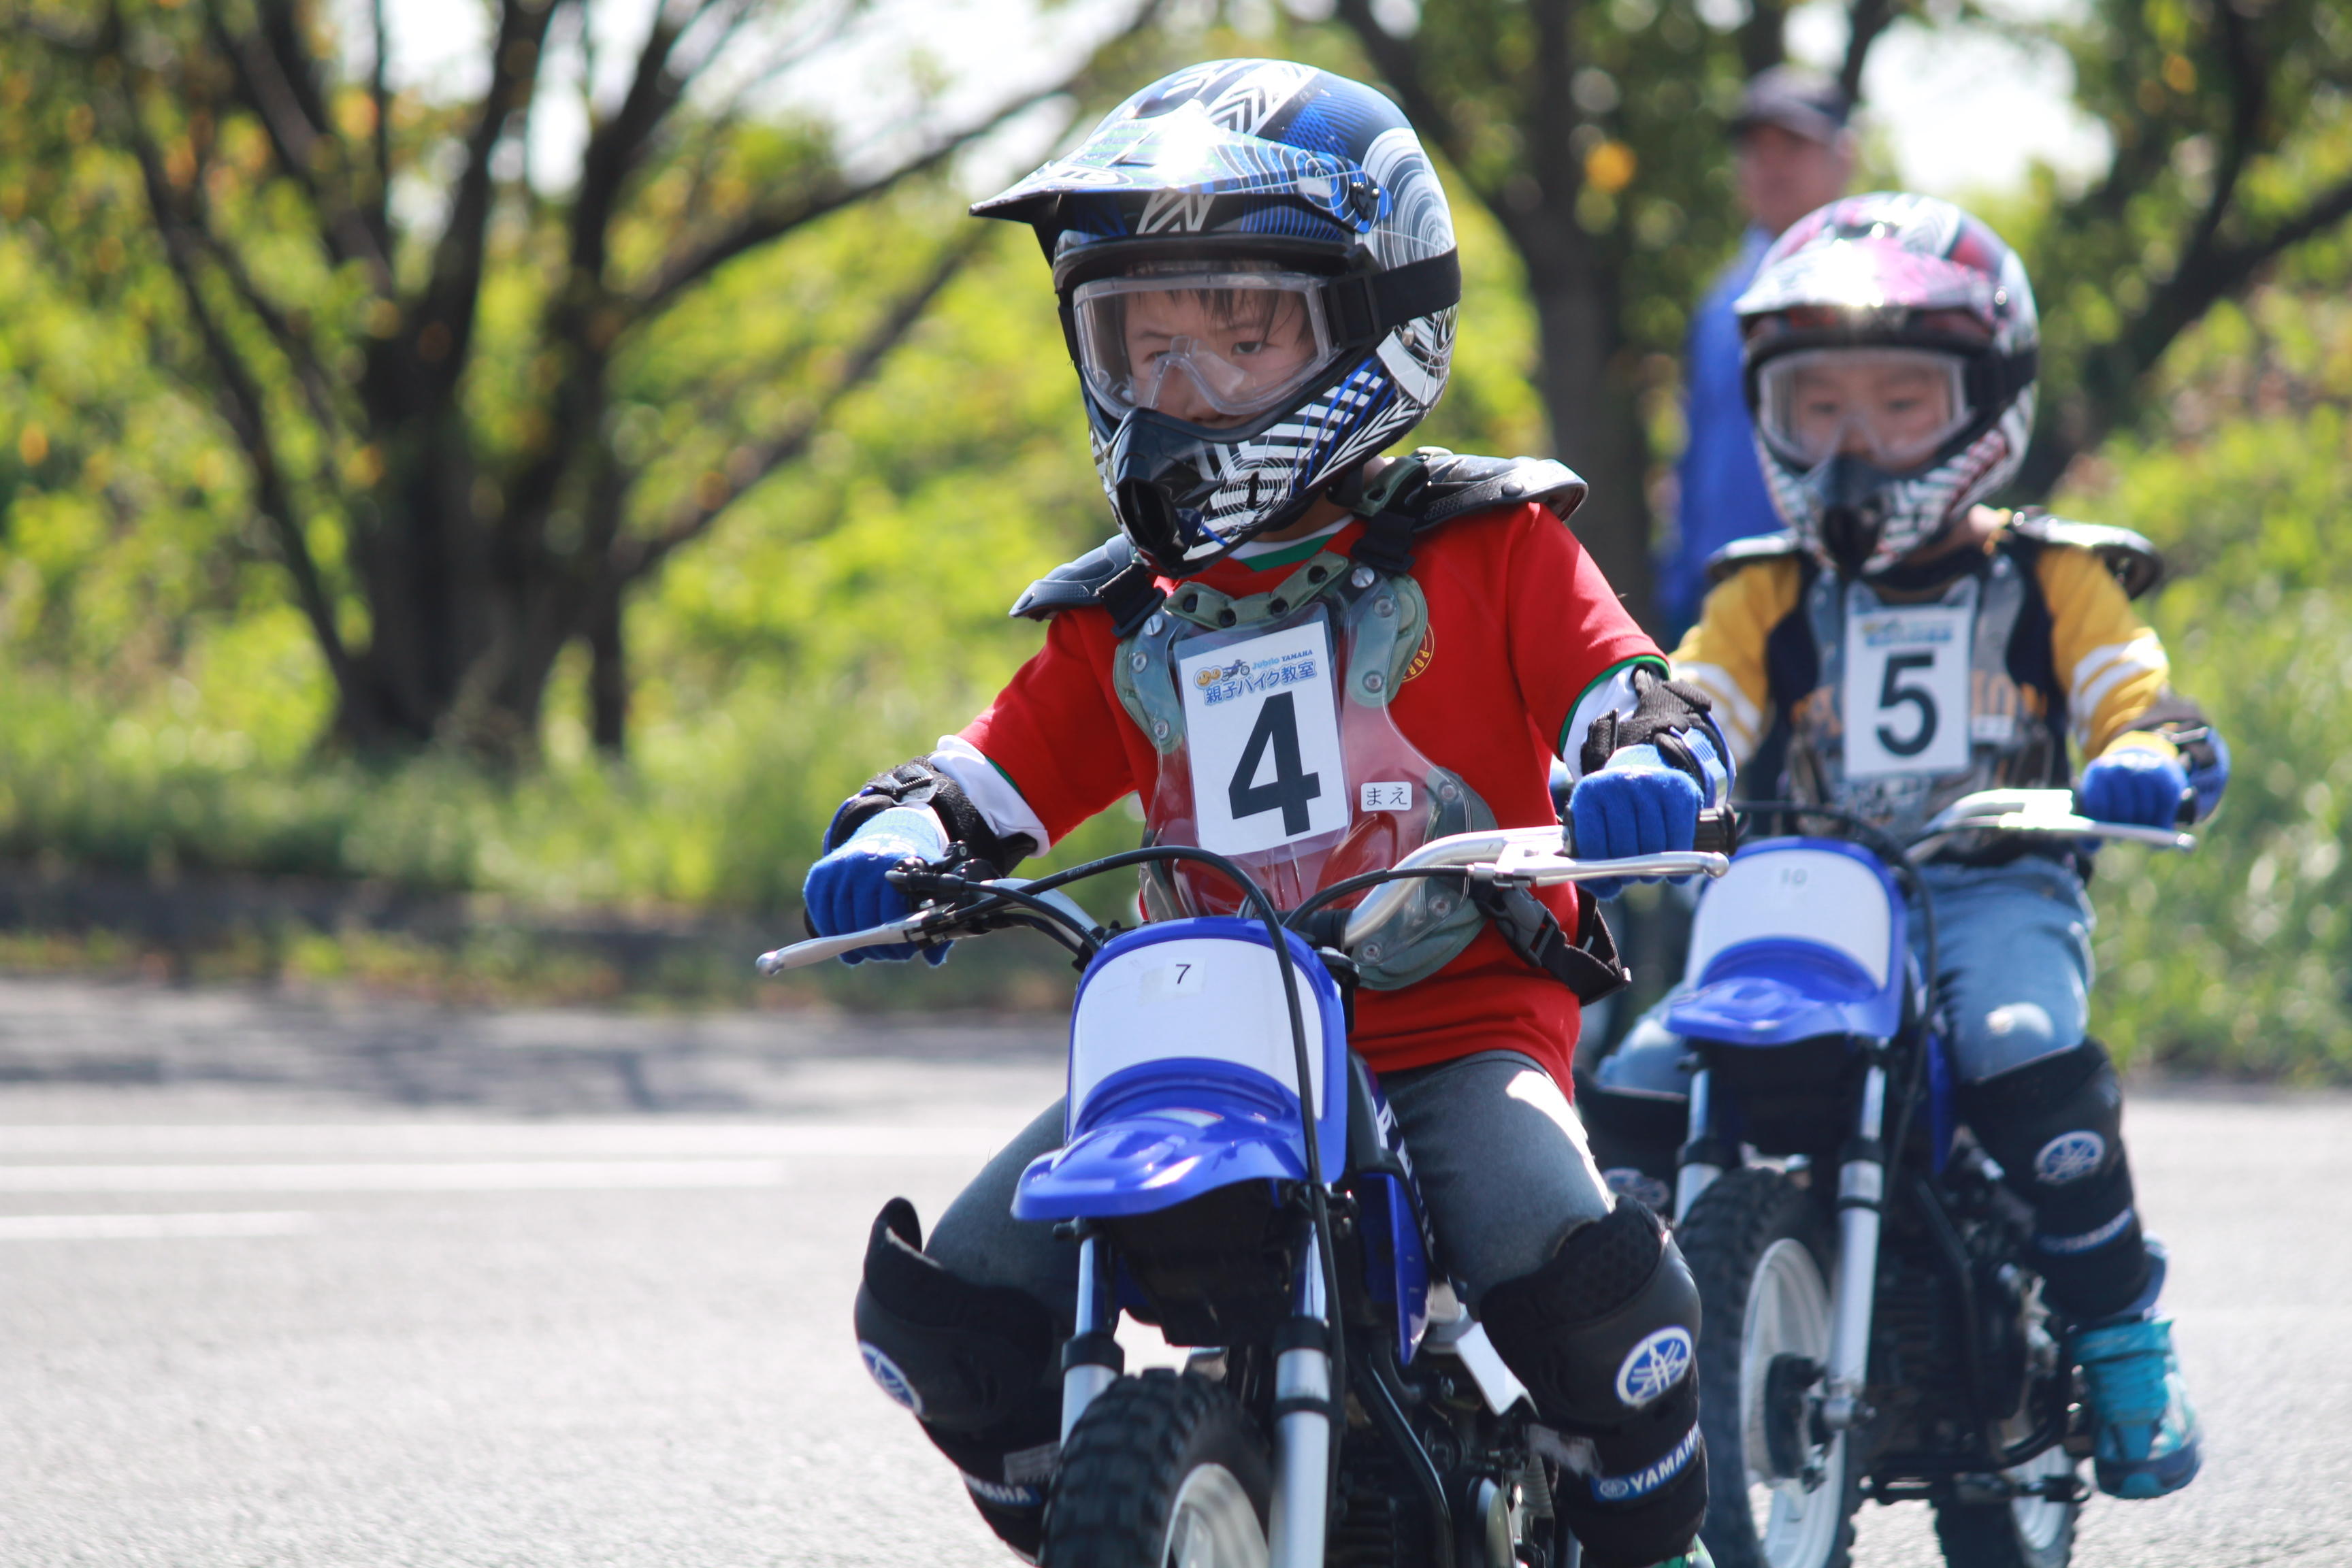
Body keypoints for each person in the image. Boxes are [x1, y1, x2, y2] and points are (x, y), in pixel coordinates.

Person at [801, 59, 1730, 1568]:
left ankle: (1653, 1534)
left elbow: (1625, 686)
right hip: (1203, 1044)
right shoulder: (1125, 622)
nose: (1181, 384)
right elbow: (990, 774)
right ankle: (1141, 1507)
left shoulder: (1489, 545)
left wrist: (1644, 763)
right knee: (943, 1319)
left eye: (1237, 332)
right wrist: (904, 842)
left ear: (1375, 320)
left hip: (1455, 1027)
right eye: (1141, 339)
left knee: (1587, 1293)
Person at [1582, 192, 2221, 1502]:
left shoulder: (2051, 575)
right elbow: (1702, 692)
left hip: (1992, 879)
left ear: (1987, 405)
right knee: (1643, 1070)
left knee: (2020, 1042)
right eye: (1818, 407)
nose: (1855, 441)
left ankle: (2115, 1329)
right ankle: (1619, 1362)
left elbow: (2134, 686)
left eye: (1899, 404)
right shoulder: (1765, 586)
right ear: (1768, 409)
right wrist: (1649, 760)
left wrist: (2149, 751)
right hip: (1801, 896)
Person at [1661, 66, 1857, 641]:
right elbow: (1694, 454)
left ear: (1844, 157)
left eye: (1793, 145)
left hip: (1840, 599)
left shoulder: (1878, 288)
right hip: (1718, 603)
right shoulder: (1720, 298)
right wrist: (1677, 588)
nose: (1771, 164)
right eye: (1756, 148)